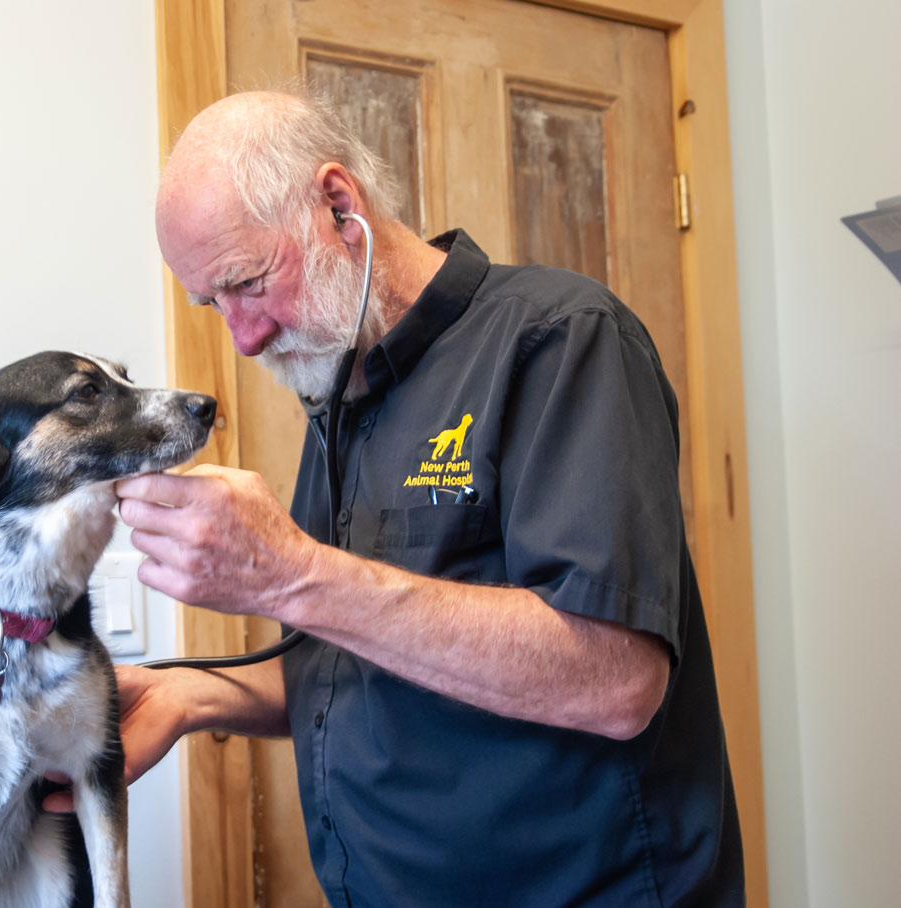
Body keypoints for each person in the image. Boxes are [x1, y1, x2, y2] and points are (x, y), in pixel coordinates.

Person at [64, 89, 745, 906]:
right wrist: (193, 695)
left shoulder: (559, 340)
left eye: (246, 282)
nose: (242, 337)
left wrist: (289, 574)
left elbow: (614, 681)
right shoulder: (340, 390)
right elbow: (367, 656)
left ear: (337, 205)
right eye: (214, 305)